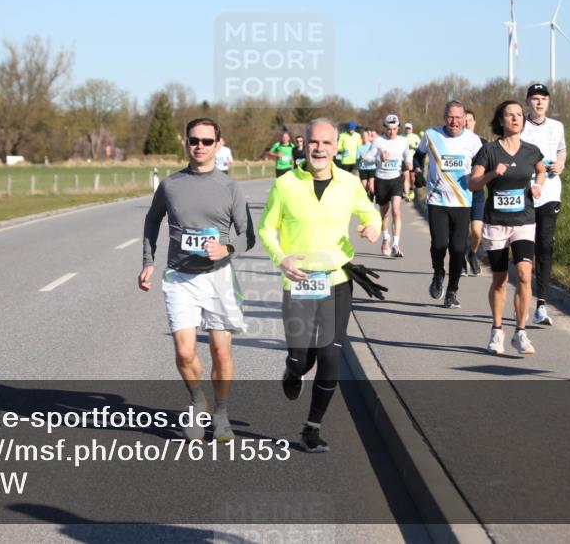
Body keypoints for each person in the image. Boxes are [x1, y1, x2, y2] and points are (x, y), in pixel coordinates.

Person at [258, 118, 381, 452]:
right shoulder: (286, 184)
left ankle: (311, 428)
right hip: (298, 281)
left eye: (327, 143)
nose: (320, 149)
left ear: (336, 146)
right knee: (302, 360)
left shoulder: (349, 183)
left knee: (330, 356)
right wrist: (280, 258)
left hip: (337, 280)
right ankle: (292, 369)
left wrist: (373, 227)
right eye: (314, 142)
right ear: (304, 144)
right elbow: (266, 229)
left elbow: (371, 214)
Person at [140, 118, 256, 441]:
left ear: (219, 145)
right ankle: (196, 401)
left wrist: (227, 248)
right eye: (194, 140)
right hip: (180, 277)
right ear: (186, 143)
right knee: (184, 351)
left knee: (221, 352)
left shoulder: (231, 187)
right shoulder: (171, 185)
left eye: (207, 141)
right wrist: (148, 261)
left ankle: (220, 413)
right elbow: (152, 221)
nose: (200, 146)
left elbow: (249, 235)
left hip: (219, 278)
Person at [470, 100, 546, 355]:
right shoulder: (489, 151)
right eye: (509, 115)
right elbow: (473, 184)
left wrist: (537, 185)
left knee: (525, 274)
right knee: (500, 280)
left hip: (524, 221)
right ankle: (496, 331)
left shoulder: (532, 151)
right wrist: (492, 174)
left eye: (519, 115)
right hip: (497, 224)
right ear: (500, 121)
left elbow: (541, 170)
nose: (515, 119)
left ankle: (521, 332)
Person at [413, 101, 484, 308]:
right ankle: (438, 274)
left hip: (463, 202)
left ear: (464, 119)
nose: (454, 121)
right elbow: (418, 157)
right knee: (439, 244)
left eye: (458, 117)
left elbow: (482, 163)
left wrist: (480, 176)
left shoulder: (473, 141)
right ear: (445, 118)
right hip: (437, 200)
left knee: (458, 249)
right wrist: (417, 171)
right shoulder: (431, 135)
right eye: (450, 117)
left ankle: (452, 291)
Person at [520, 83, 567, 325]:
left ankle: (542, 304)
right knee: (525, 249)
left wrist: (560, 163)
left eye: (544, 99)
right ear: (527, 102)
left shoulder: (557, 127)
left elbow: (562, 151)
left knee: (545, 246)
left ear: (548, 102)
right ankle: (524, 299)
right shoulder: (521, 127)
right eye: (535, 99)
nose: (539, 103)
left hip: (550, 193)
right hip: (525, 194)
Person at [363, 116, 412, 257]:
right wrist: (379, 158)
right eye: (389, 129)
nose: (392, 132)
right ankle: (386, 239)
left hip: (396, 179)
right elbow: (366, 160)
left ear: (398, 128)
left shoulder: (403, 141)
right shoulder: (378, 141)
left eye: (395, 129)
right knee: (384, 213)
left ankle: (396, 244)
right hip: (381, 180)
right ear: (385, 128)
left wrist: (409, 163)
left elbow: (407, 155)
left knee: (396, 210)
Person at [464, 109, 488, 276]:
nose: (467, 123)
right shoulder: (455, 142)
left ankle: (471, 254)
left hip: (477, 193)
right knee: (460, 232)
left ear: (474, 122)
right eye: (464, 120)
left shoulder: (483, 143)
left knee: (477, 232)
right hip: (459, 193)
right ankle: (459, 263)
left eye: (470, 120)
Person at [356, 128, 377, 202]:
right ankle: (366, 199)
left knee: (371, 187)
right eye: (363, 136)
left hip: (372, 168)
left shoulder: (372, 146)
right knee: (364, 187)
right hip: (363, 169)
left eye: (366, 136)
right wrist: (360, 158)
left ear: (369, 137)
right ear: (362, 138)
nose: (364, 138)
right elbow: (357, 158)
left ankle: (371, 200)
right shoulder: (360, 147)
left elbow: (376, 156)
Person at [403, 122, 421, 202]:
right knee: (405, 176)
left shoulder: (415, 137)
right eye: (406, 128)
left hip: (413, 158)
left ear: (411, 129)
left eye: (409, 128)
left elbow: (420, 147)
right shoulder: (402, 137)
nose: (407, 130)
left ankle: (412, 190)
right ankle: (406, 193)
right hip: (404, 159)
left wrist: (413, 146)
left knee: (412, 177)